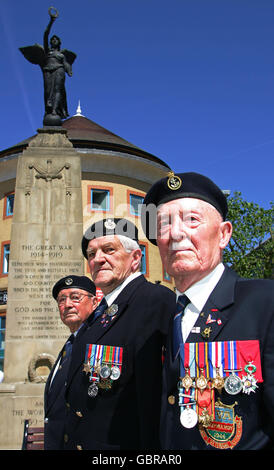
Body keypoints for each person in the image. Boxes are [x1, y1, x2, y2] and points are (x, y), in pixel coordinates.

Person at [141, 171, 274, 450]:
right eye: (163, 224)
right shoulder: (163, 319)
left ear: (224, 234)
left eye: (192, 220)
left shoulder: (265, 304)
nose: (176, 233)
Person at [62, 218, 176, 450]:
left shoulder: (154, 301)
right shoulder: (99, 312)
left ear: (135, 259)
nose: (97, 259)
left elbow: (155, 399)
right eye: (91, 254)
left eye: (109, 250)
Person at [44, 275, 98, 450]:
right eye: (61, 300)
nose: (67, 305)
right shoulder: (70, 344)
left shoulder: (97, 343)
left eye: (75, 297)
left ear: (95, 302)